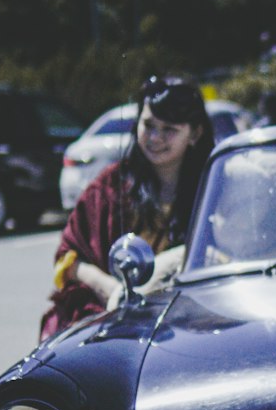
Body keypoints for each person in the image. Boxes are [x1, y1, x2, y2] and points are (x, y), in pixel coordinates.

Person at [41, 76, 211, 338]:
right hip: (118, 317)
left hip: (190, 322)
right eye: (148, 125)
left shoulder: (212, 187)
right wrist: (114, 291)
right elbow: (68, 257)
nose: (155, 137)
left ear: (195, 134)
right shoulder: (110, 186)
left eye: (169, 129)